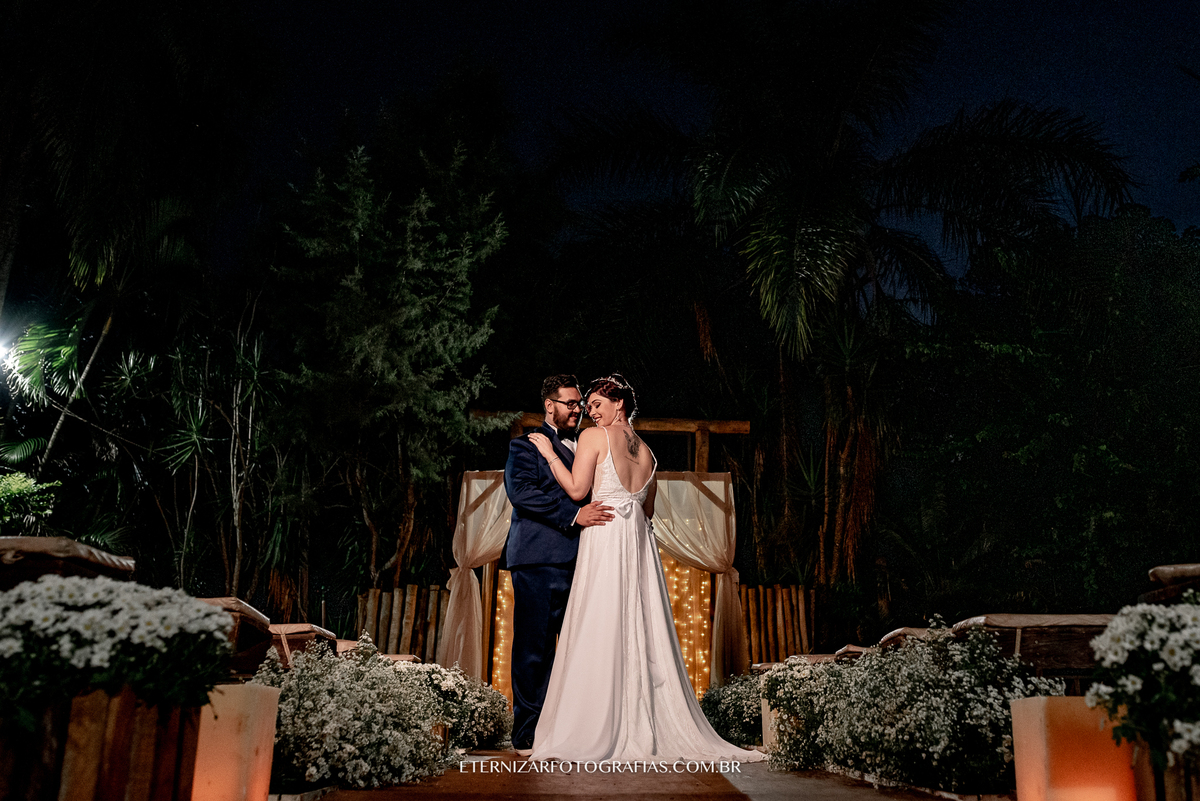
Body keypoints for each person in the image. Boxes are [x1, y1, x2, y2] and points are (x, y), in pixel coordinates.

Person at [525, 374, 766, 763]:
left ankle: (592, 726)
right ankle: (643, 718)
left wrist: (549, 454)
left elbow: (574, 490)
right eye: (588, 407)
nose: (590, 411)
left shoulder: (593, 438)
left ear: (618, 403)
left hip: (605, 537)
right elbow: (648, 509)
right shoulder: (650, 453)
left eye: (597, 404)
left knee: (600, 622)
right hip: (637, 543)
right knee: (640, 624)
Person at [502, 374, 615, 755]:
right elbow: (522, 493)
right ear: (549, 405)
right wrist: (574, 515)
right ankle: (527, 734)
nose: (578, 409)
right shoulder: (526, 446)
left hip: (581, 563)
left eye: (580, 403)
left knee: (576, 650)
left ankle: (568, 730)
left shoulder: (588, 444)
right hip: (537, 559)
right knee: (534, 649)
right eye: (570, 403)